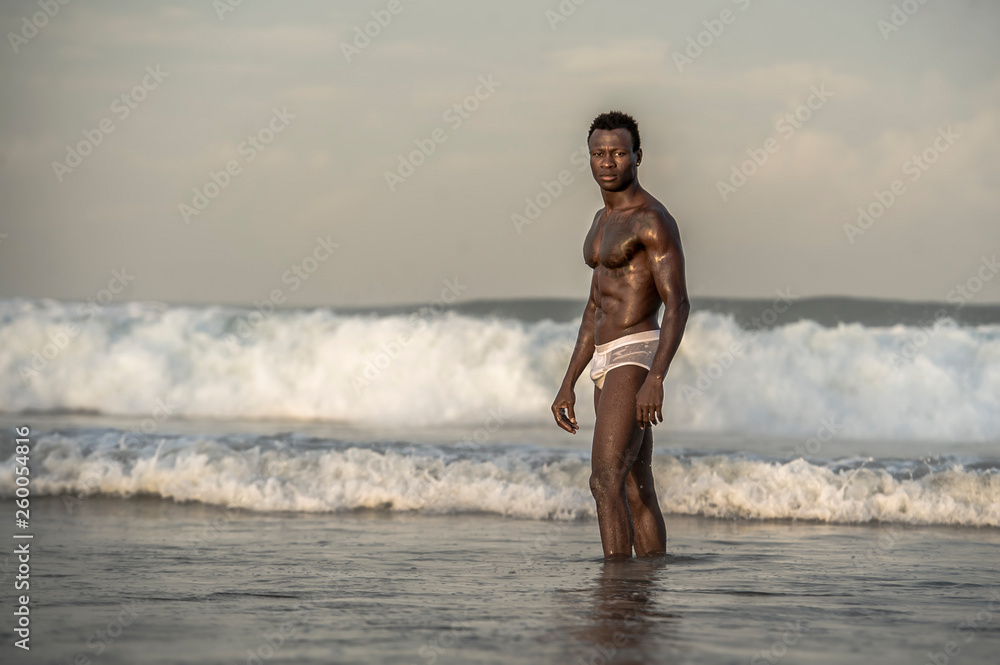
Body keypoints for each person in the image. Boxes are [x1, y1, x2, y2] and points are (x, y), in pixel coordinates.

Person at [551, 111, 690, 559]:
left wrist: (656, 378)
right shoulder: (600, 221)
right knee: (634, 486)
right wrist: (568, 381)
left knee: (603, 478)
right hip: (604, 356)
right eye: (598, 154)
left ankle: (614, 591)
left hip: (636, 351)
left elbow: (679, 304)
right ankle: (645, 587)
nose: (607, 162)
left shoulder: (652, 220)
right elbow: (595, 307)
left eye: (617, 153)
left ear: (637, 156)